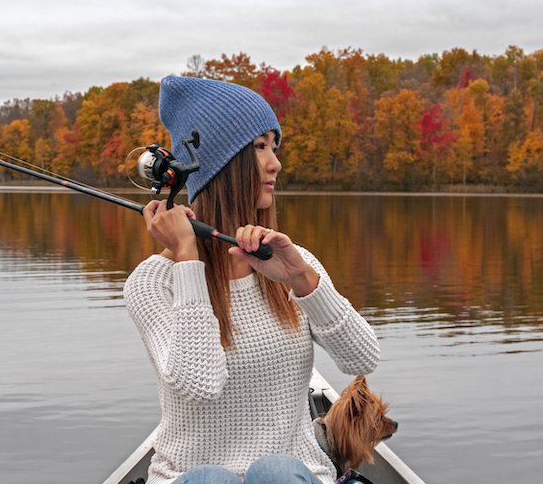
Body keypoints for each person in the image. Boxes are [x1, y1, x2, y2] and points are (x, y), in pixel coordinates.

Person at [124, 76, 380, 484]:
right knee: (210, 480)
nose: (275, 162)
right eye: (259, 147)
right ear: (219, 163)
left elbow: (363, 359)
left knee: (276, 470)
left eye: (273, 146)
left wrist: (302, 280)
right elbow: (200, 384)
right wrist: (189, 260)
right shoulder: (154, 283)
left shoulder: (288, 261)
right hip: (189, 477)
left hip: (292, 474)